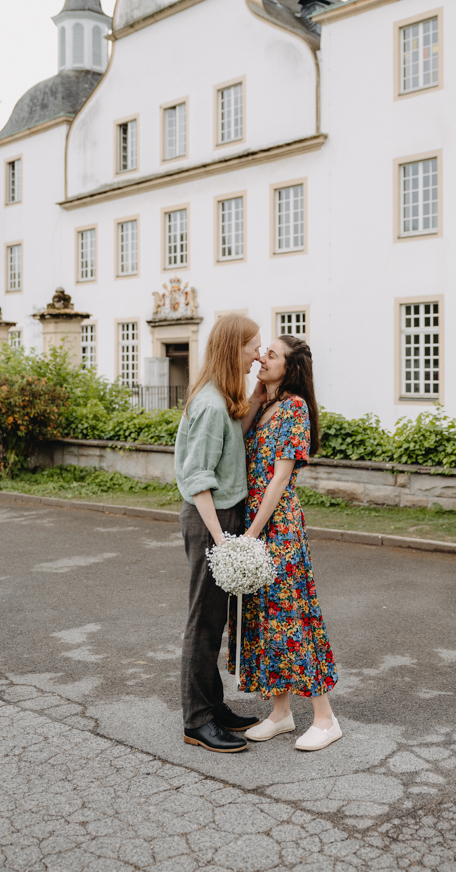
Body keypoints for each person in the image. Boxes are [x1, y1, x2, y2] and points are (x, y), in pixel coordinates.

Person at [230, 334, 341, 751]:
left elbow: (280, 477)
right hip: (257, 522)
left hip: (278, 527)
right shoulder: (266, 406)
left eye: (271, 354)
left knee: (293, 615)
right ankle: (280, 713)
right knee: (265, 617)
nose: (262, 357)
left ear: (289, 368)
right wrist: (258, 397)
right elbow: (238, 438)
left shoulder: (294, 408)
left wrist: (252, 534)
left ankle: (326, 718)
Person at [176, 313, 262, 753]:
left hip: (222, 519)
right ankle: (197, 720)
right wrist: (222, 539)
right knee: (203, 621)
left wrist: (259, 396)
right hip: (212, 521)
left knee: (216, 619)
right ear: (235, 348)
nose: (257, 355)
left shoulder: (220, 401)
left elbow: (233, 444)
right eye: (252, 347)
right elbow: (198, 477)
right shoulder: (210, 405)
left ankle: (214, 706)